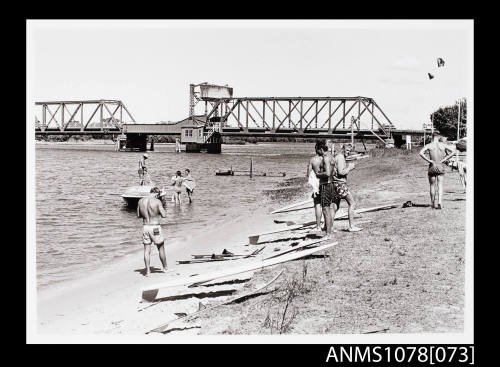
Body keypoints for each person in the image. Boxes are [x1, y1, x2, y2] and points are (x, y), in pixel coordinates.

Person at [137, 187, 168, 277]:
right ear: (157, 194)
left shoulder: (140, 201)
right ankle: (165, 268)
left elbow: (138, 215)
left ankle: (147, 272)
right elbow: (164, 215)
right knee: (161, 248)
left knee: (146, 250)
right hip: (155, 227)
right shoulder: (157, 201)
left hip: (145, 226)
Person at [331, 143, 362, 232]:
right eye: (347, 150)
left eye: (350, 151)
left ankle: (329, 227)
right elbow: (341, 172)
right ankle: (351, 226)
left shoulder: (337, 156)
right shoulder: (340, 157)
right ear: (343, 149)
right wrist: (349, 168)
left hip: (335, 183)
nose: (348, 153)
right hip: (340, 184)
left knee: (335, 206)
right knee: (352, 203)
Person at [419, 134, 455, 209]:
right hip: (440, 165)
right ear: (438, 138)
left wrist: (429, 160)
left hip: (432, 165)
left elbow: (421, 153)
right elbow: (453, 152)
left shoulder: (429, 145)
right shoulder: (443, 145)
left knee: (432, 185)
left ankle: (432, 203)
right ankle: (439, 202)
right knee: (440, 185)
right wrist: (445, 159)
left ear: (432, 138)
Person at [306, 140, 334, 238]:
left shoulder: (325, 158)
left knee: (325, 209)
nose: (317, 152)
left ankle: (328, 233)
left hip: (325, 185)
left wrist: (318, 174)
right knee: (328, 208)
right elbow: (332, 172)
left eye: (318, 149)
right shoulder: (331, 157)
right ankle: (328, 230)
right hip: (330, 184)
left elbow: (327, 173)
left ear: (321, 149)